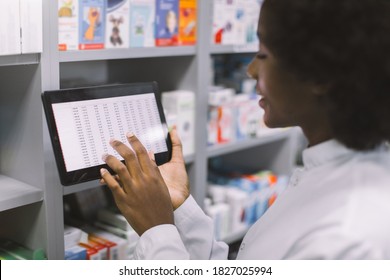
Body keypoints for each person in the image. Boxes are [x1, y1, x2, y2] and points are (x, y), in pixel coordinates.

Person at [100, 0, 390, 259]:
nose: (250, 70)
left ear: (320, 74)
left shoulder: (348, 236)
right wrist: (179, 207)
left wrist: (157, 231)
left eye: (263, 54)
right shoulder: (334, 173)